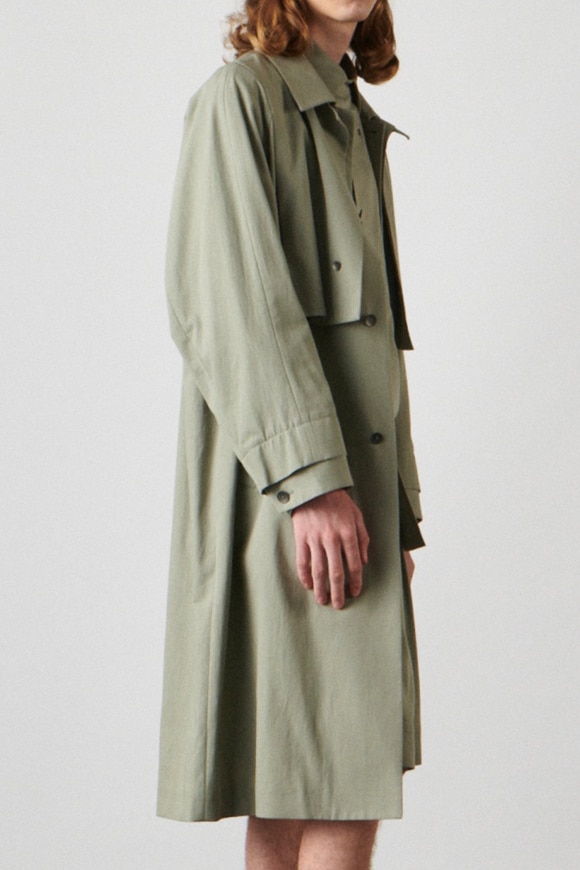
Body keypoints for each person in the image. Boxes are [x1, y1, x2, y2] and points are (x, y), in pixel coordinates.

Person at [157, 1, 425, 867]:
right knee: (338, 771)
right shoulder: (241, 98)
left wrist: (399, 510)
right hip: (287, 489)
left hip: (343, 490)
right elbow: (226, 306)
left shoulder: (348, 113)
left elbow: (376, 336)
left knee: (298, 775)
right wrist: (314, 483)